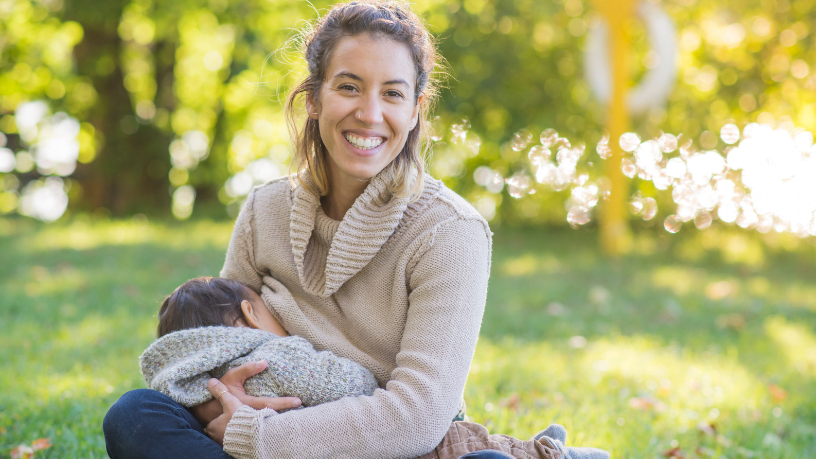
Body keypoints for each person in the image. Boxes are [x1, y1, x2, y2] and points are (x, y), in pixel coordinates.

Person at [102, 2, 600, 458]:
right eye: (348, 86)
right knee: (136, 415)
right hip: (261, 428)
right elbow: (217, 336)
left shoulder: (450, 233)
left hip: (381, 447)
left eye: (392, 94)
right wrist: (220, 399)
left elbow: (418, 416)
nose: (369, 113)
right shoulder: (265, 209)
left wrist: (261, 436)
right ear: (315, 98)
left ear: (415, 110)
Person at [137, 277, 608, 459]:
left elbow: (410, 417)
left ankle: (543, 449)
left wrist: (217, 421)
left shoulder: (184, 379)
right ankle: (550, 453)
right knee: (467, 449)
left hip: (374, 435)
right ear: (253, 313)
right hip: (369, 445)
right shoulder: (272, 355)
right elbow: (349, 383)